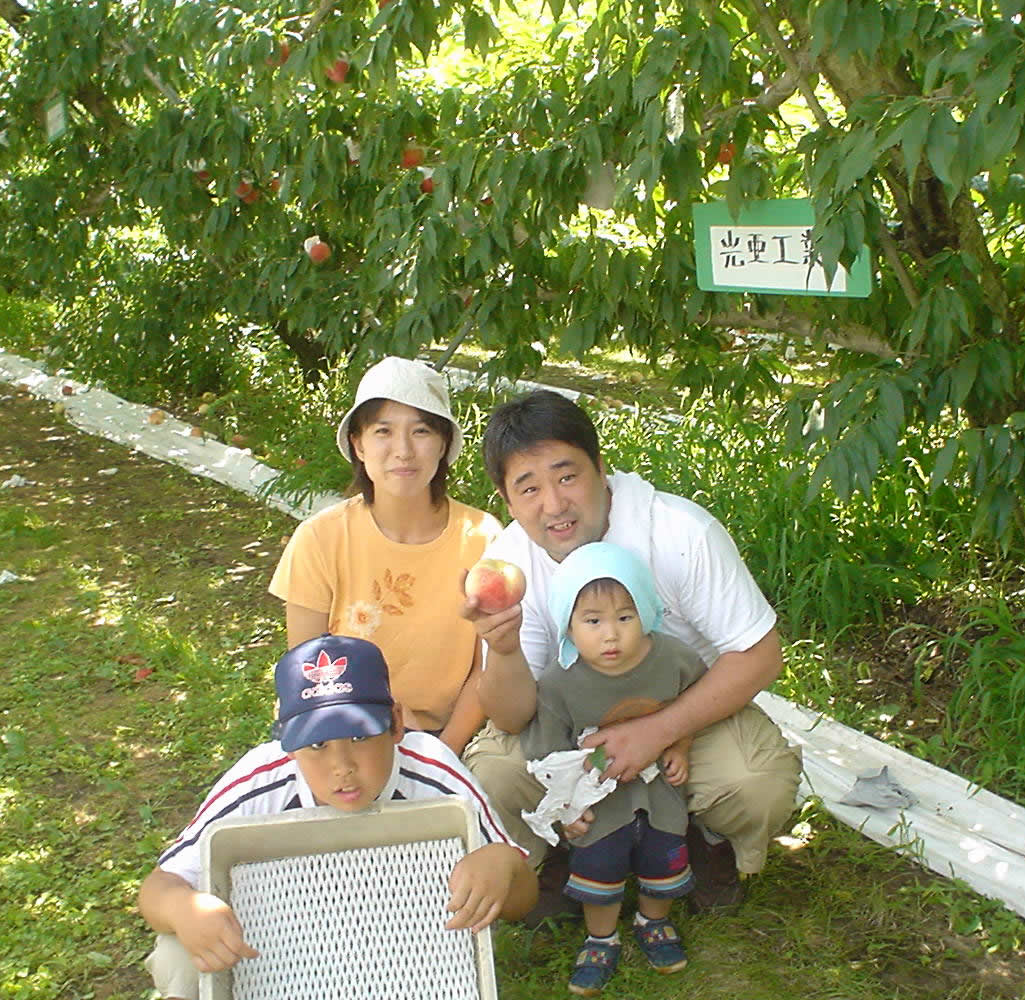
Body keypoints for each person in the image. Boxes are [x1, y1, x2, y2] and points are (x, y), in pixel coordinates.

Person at [462, 388, 802, 920]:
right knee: (496, 773)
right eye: (529, 488)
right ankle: (556, 846)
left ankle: (703, 838)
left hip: (685, 714)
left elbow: (759, 655)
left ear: (601, 468)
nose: (553, 504)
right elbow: (511, 718)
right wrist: (502, 650)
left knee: (755, 783)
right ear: (507, 501)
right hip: (570, 724)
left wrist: (659, 730)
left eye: (566, 476)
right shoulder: (510, 561)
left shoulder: (679, 531)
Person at [138, 634, 536, 1000]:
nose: (342, 766)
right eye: (317, 745)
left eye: (360, 737)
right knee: (177, 952)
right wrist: (183, 909)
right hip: (283, 947)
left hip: (404, 945)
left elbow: (522, 897)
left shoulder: (433, 773)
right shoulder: (261, 780)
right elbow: (160, 886)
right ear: (287, 742)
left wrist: (500, 862)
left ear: (396, 723)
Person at [270, 357, 500, 755]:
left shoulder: (483, 538)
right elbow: (307, 670)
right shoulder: (321, 538)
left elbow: (488, 667)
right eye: (383, 431)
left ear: (444, 443)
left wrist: (441, 755)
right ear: (359, 445)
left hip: (450, 738)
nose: (403, 451)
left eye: (421, 431)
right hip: (341, 732)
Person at [523, 542, 703, 994]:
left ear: (647, 613)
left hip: (658, 792)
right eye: (593, 621)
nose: (611, 635)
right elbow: (549, 755)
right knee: (598, 866)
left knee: (663, 855)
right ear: (567, 624)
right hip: (600, 801)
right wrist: (567, 808)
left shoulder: (673, 659)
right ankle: (600, 937)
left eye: (625, 617)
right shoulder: (558, 683)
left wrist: (681, 745)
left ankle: (653, 920)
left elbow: (697, 703)